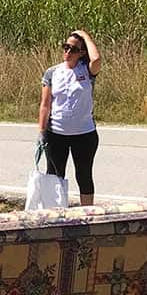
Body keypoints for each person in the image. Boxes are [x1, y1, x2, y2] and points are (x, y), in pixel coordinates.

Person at [38, 29, 103, 206]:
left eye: (73, 49)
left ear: (82, 52)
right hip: (56, 133)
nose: (67, 52)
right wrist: (42, 132)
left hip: (84, 134)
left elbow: (96, 59)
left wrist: (86, 36)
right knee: (55, 176)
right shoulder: (52, 72)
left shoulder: (88, 71)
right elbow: (45, 104)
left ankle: (88, 214)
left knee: (83, 175)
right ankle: (56, 213)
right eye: (65, 47)